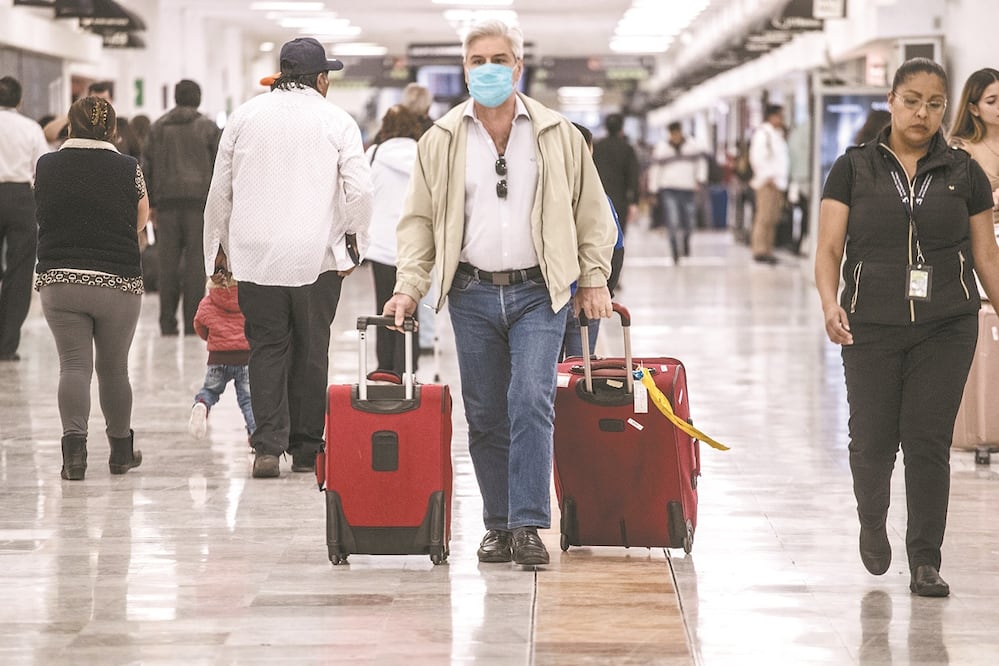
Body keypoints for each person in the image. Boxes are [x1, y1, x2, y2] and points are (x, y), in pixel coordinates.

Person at [382, 19, 617, 567]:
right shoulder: (440, 140)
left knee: (530, 400)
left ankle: (529, 523)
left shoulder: (558, 133)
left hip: (541, 290)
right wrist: (408, 287)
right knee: (485, 411)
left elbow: (591, 211)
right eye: (476, 61)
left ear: (518, 66)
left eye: (498, 59)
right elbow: (418, 221)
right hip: (471, 292)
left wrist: (593, 275)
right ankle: (497, 524)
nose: (487, 70)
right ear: (465, 69)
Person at [814, 58, 999, 598]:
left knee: (927, 440)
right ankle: (873, 523)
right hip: (869, 324)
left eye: (935, 103)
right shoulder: (853, 168)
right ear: (890, 99)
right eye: (912, 99)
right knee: (872, 442)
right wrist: (830, 303)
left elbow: (986, 255)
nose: (923, 112)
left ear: (948, 108)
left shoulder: (964, 173)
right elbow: (828, 249)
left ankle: (925, 559)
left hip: (947, 323)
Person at [204, 37, 373, 479]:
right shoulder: (337, 120)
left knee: (266, 349)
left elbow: (220, 191)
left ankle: (266, 447)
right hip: (315, 256)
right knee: (312, 350)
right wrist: (354, 244)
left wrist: (217, 253)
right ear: (320, 80)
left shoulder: (244, 117)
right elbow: (360, 190)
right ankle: (305, 449)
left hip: (254, 256)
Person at [33, 95, 147, 480]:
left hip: (60, 279)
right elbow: (140, 218)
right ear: (113, 129)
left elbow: (41, 211)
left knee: (74, 367)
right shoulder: (128, 167)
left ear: (70, 124)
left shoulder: (46, 166)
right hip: (118, 279)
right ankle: (120, 453)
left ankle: (74, 457)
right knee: (114, 369)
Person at [144, 79, 221, 336]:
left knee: (167, 265)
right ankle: (192, 323)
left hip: (165, 205)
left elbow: (147, 167)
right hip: (199, 205)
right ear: (197, 98)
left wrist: (151, 203)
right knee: (194, 265)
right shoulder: (209, 128)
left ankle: (167, 323)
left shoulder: (157, 128)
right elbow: (219, 168)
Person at [365, 104, 425, 376]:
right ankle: (408, 366)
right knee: (412, 302)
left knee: (383, 303)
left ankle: (385, 366)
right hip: (415, 245)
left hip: (380, 245)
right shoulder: (424, 155)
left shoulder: (374, 155)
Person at [563, 122, 624, 359]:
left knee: (548, 374)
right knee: (581, 369)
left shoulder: (543, 193)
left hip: (547, 300)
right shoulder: (600, 198)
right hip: (588, 297)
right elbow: (617, 249)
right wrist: (605, 289)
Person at [0, 76, 50, 362]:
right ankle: (6, 345)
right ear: (19, 101)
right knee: (18, 273)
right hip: (20, 198)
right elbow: (41, 168)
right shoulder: (30, 128)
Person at [188, 276, 255, 440]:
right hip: (245, 358)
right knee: (248, 401)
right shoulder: (249, 300)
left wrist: (211, 339)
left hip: (217, 358)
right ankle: (255, 434)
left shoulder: (208, 302)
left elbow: (199, 324)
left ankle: (202, 404)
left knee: (210, 391)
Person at [649, 121, 707, 263]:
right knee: (672, 221)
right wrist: (653, 190)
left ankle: (686, 241)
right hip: (669, 189)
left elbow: (701, 164)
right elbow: (655, 170)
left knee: (690, 221)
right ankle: (675, 251)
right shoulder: (662, 149)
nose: (675, 136)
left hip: (688, 188)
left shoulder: (693, 146)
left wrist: (700, 180)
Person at [949, 68, 999, 227]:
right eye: (991, 101)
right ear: (973, 109)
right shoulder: (961, 147)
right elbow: (955, 204)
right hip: (981, 234)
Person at [748, 104, 789, 264]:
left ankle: (768, 249)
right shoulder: (763, 134)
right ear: (771, 117)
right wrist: (768, 177)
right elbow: (757, 158)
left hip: (777, 183)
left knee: (773, 218)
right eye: (779, 116)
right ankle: (759, 249)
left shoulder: (776, 135)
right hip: (767, 183)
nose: (781, 120)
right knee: (764, 217)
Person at [592, 113, 640, 234]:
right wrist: (634, 202)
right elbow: (633, 176)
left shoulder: (597, 147)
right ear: (621, 128)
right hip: (620, 200)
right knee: (619, 234)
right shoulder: (627, 149)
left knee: (601, 235)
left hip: (599, 198)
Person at [43, 80, 113, 145]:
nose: (99, 103)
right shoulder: (78, 123)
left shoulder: (119, 124)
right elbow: (47, 135)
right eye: (95, 99)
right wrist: (74, 114)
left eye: (103, 99)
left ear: (111, 100)